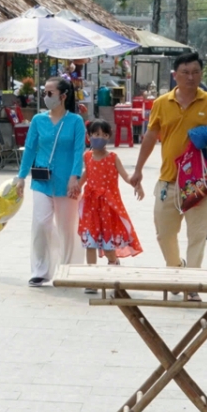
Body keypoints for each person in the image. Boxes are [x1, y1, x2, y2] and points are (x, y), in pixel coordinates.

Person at [129, 52, 207, 296]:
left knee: (197, 235)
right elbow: (151, 136)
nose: (190, 77)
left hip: (200, 181)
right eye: (185, 72)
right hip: (169, 179)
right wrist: (138, 170)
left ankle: (191, 284)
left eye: (195, 72)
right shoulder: (162, 103)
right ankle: (176, 269)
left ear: (201, 74)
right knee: (164, 233)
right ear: (175, 75)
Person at [16, 77, 86, 287]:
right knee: (41, 223)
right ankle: (41, 270)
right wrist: (21, 177)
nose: (45, 97)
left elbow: (78, 150)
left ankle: (67, 269)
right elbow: (30, 149)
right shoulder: (38, 120)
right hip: (41, 180)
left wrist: (75, 177)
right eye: (44, 93)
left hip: (67, 181)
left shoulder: (75, 121)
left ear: (63, 96)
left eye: (50, 93)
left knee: (67, 228)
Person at [77, 119, 144, 294]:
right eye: (95, 134)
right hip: (91, 207)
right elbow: (86, 174)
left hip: (108, 208)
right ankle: (92, 279)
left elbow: (125, 176)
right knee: (90, 243)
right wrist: (76, 186)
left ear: (108, 137)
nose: (99, 137)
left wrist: (135, 183)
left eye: (103, 134)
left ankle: (113, 269)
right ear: (89, 136)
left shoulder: (113, 158)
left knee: (108, 246)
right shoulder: (87, 156)